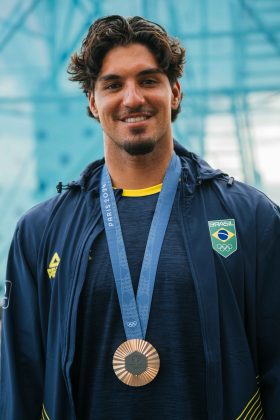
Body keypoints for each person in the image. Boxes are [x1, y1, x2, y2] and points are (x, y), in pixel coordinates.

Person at [1, 15, 280, 420]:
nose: (132, 98)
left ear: (176, 93)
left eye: (149, 80)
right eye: (113, 84)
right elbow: (20, 377)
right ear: (93, 102)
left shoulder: (251, 218)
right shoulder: (41, 230)